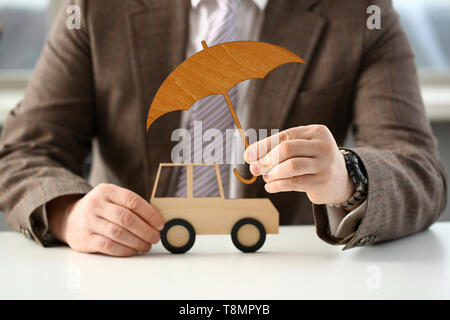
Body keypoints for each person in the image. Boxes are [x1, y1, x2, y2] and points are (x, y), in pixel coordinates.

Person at [0, 0, 446, 257]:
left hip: (285, 276)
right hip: (133, 270)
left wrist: (347, 176)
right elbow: (23, 151)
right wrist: (69, 212)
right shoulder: (98, 8)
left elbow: (421, 171)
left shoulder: (361, 14)